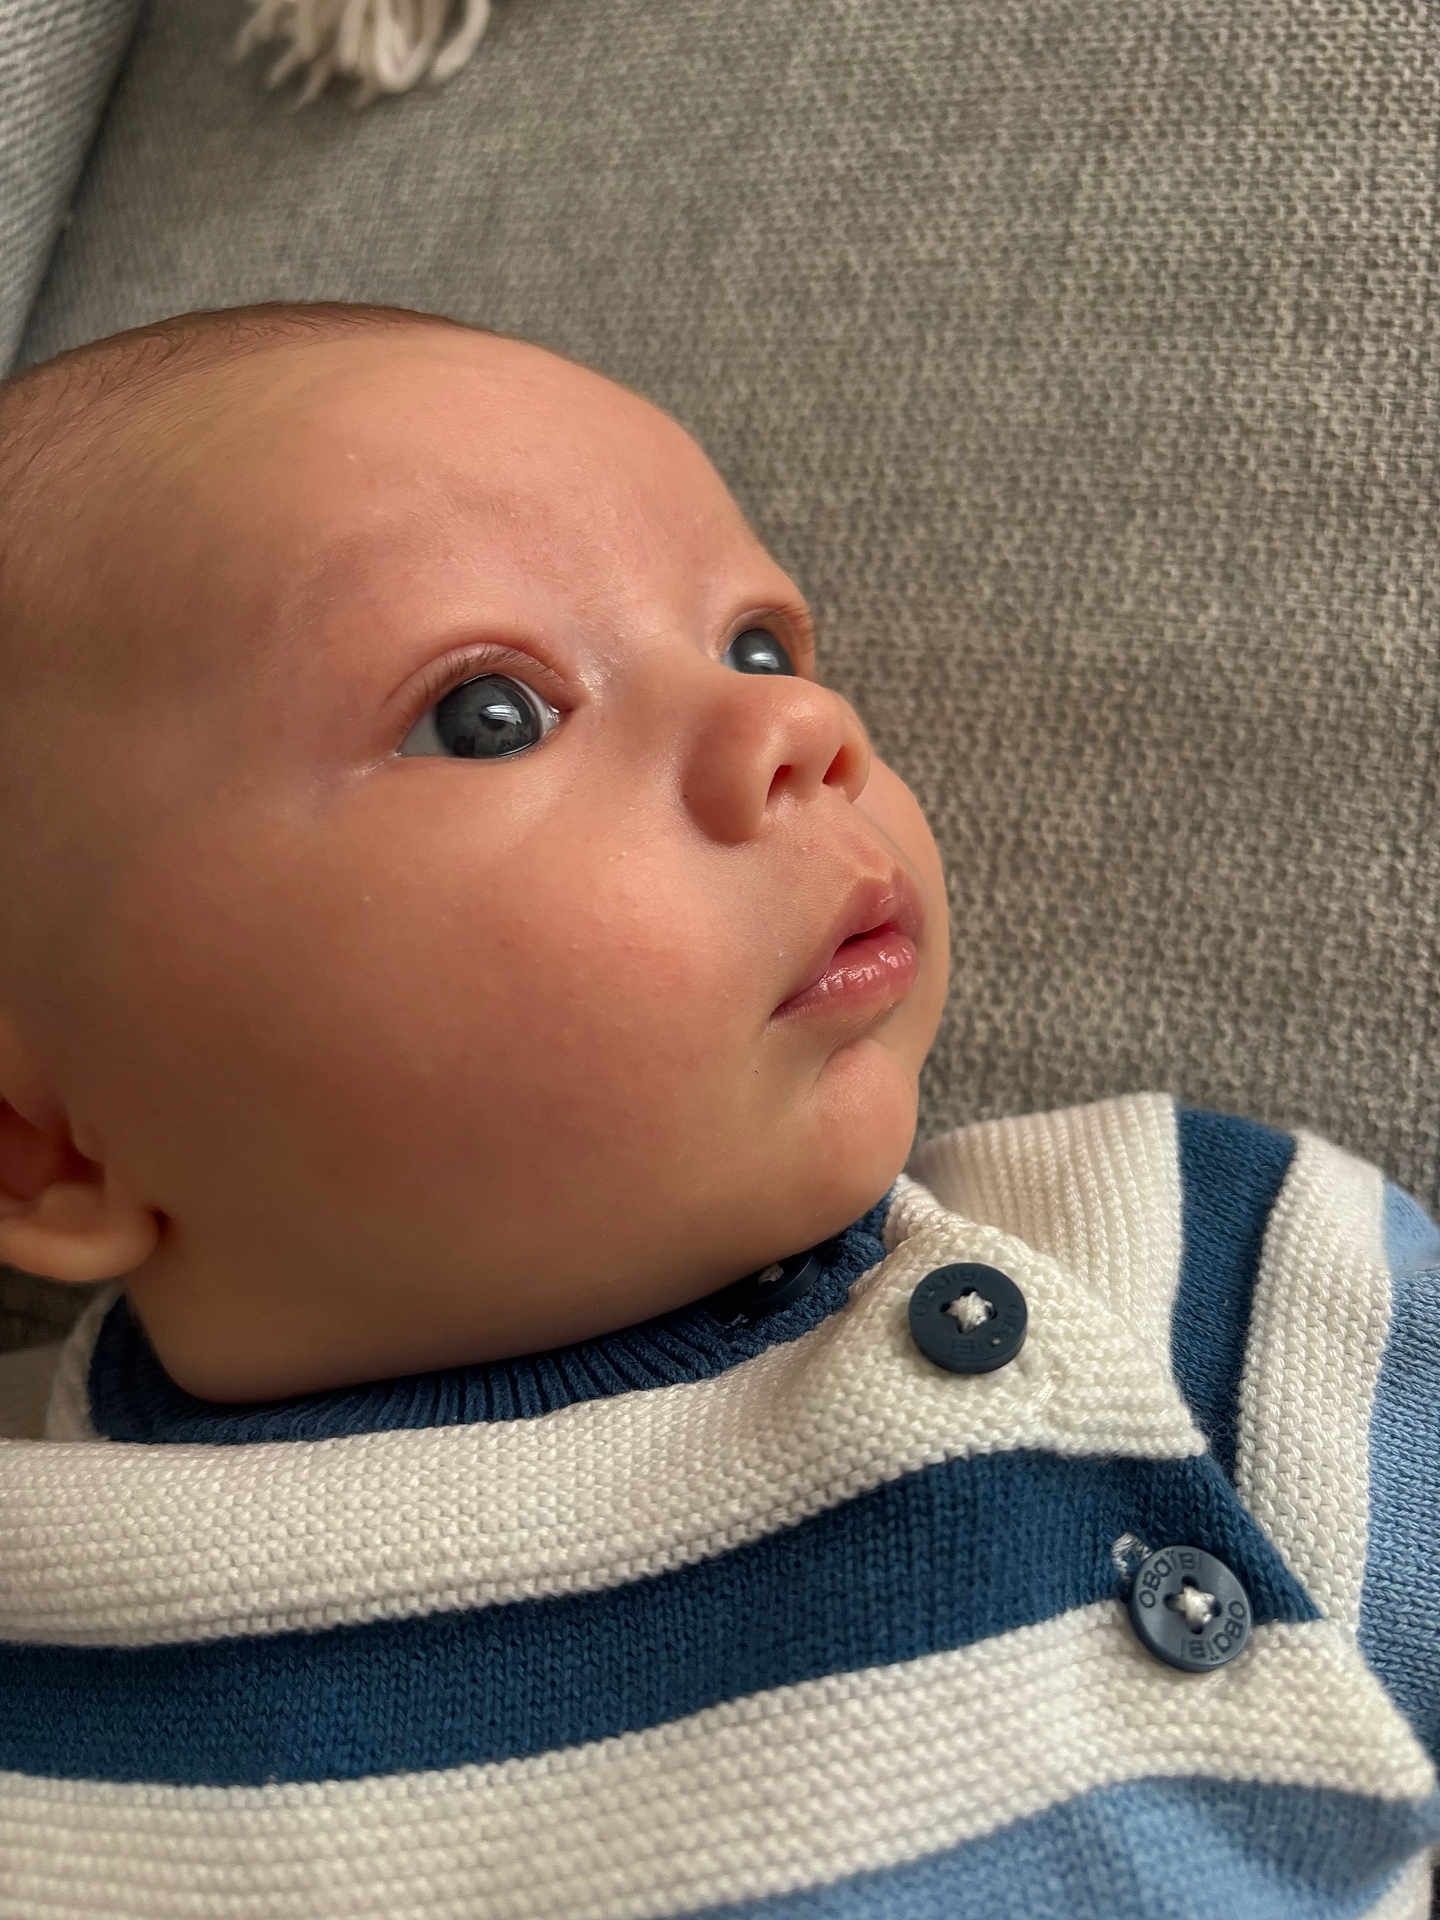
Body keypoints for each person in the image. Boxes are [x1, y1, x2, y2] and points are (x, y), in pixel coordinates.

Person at [0, 301, 1435, 1918]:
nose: (797, 731)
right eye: (491, 712)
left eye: (758, 644)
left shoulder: (1192, 1272)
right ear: (46, 1145)